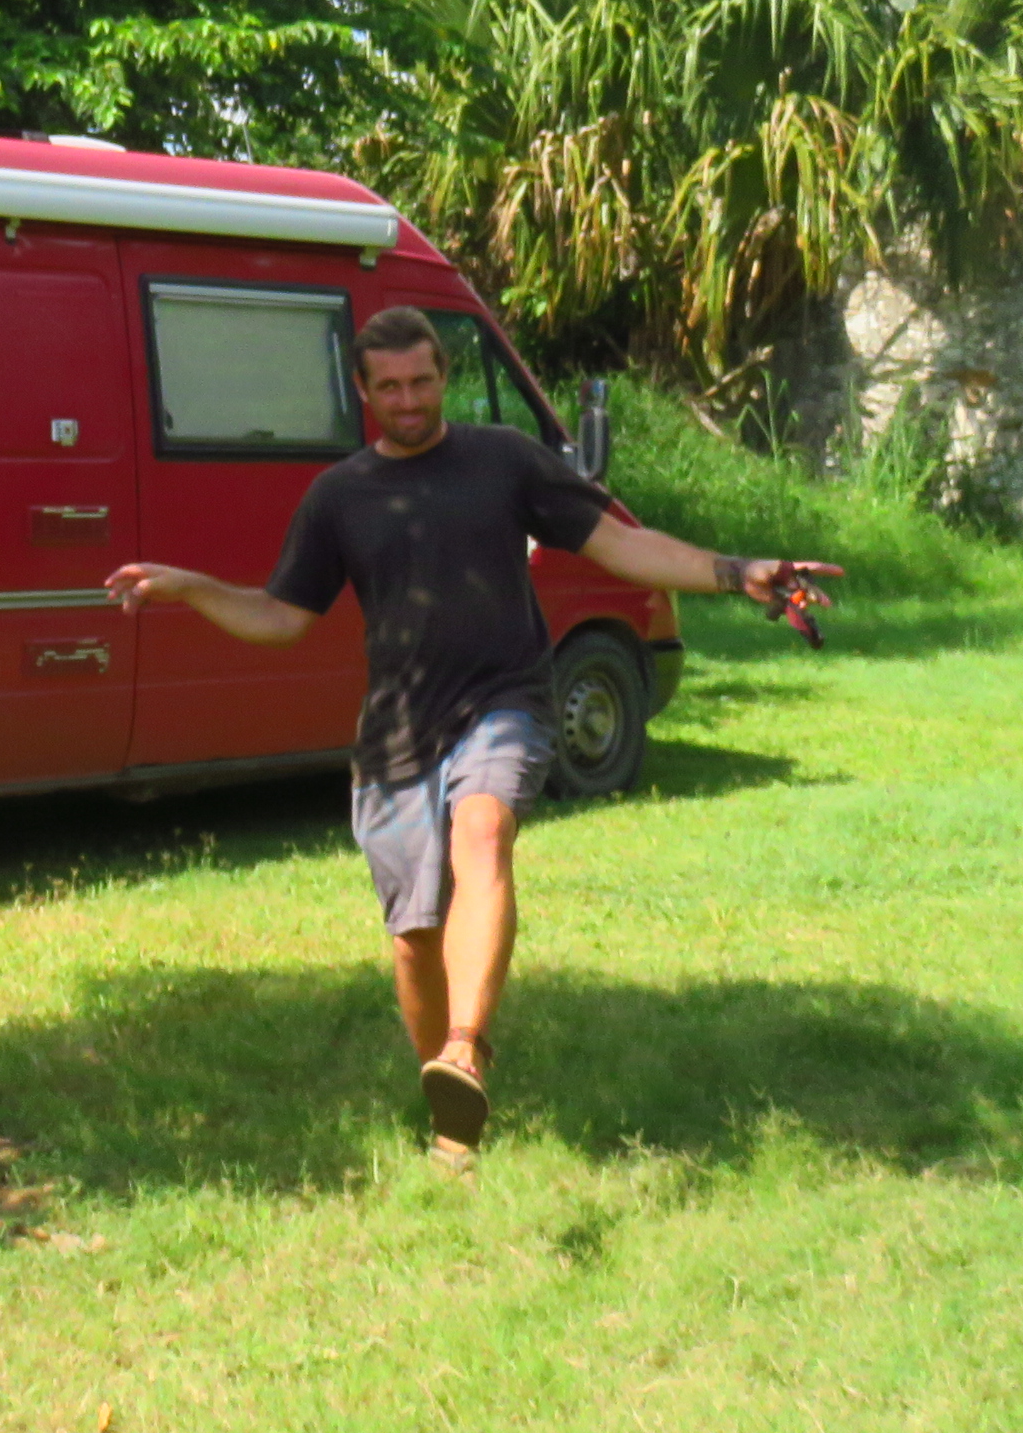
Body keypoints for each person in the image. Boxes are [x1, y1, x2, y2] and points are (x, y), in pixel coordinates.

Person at [104, 305, 840, 1171]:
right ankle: (452, 1109)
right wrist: (192, 588)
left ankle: (464, 1047)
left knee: (484, 832)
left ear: (443, 377)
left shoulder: (504, 460)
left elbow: (621, 544)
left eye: (422, 382)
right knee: (415, 938)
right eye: (390, 388)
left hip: (504, 698)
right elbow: (280, 617)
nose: (409, 400)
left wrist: (735, 571)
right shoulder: (340, 496)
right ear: (363, 391)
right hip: (396, 731)